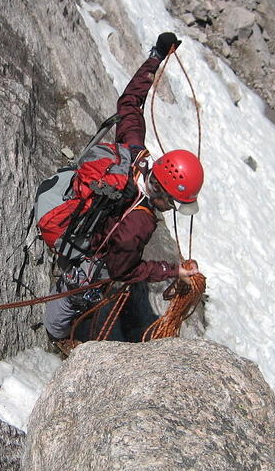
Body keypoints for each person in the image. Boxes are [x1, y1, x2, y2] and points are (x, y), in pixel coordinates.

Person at [44, 32, 204, 350]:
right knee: (82, 288)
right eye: (174, 202)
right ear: (166, 195)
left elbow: (130, 103)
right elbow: (123, 269)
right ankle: (58, 334)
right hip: (85, 245)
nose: (173, 208)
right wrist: (172, 270)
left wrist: (156, 57)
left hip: (71, 200)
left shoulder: (135, 152)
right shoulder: (140, 221)